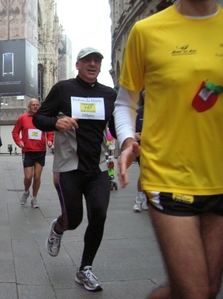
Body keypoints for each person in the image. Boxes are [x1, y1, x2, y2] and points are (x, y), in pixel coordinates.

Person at [114, 1, 223, 298]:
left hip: (218, 175)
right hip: (168, 175)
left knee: (206, 290)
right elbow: (126, 101)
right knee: (196, 293)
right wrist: (127, 142)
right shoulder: (147, 30)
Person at [33, 47, 117, 292]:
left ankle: (85, 269)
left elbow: (116, 124)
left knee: (99, 214)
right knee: (74, 220)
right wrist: (55, 122)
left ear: (100, 66)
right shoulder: (63, 89)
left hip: (98, 167)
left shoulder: (108, 94)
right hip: (69, 167)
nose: (92, 64)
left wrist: (131, 139)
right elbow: (39, 118)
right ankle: (58, 228)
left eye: (97, 61)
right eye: (87, 60)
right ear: (78, 65)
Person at [12, 98, 54, 208]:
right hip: (28, 151)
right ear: (28, 107)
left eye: (37, 105)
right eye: (33, 105)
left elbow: (50, 131)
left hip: (40, 151)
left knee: (37, 176)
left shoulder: (43, 118)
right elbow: (15, 132)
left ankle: (34, 198)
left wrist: (50, 140)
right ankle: (26, 191)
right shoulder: (22, 118)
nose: (35, 106)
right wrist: (19, 141)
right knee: (28, 176)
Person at [132, 91, 148, 212]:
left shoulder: (163, 110)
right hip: (143, 147)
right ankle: (139, 199)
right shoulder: (139, 112)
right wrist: (135, 134)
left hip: (159, 148)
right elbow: (132, 129)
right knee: (144, 172)